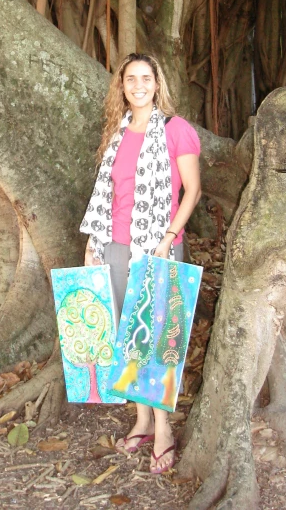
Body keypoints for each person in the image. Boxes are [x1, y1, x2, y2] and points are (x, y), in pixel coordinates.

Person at [80, 53, 201, 474]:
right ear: (122, 86)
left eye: (145, 78)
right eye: (131, 78)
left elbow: (193, 191)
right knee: (128, 335)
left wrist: (169, 238)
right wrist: (95, 244)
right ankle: (143, 420)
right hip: (114, 244)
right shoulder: (117, 133)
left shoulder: (174, 129)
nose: (138, 85)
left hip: (157, 245)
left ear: (157, 83)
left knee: (156, 339)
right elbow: (106, 195)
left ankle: (164, 430)